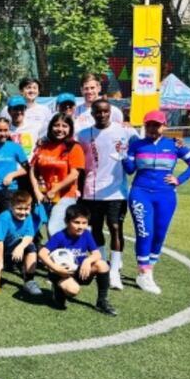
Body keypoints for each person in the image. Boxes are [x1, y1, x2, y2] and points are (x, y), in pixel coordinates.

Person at [124, 110, 190, 294]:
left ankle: (149, 270)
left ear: (164, 126)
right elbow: (129, 170)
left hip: (166, 195)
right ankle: (144, 273)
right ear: (144, 126)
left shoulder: (174, 144)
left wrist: (179, 180)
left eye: (156, 125)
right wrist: (124, 155)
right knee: (144, 232)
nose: (152, 128)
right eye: (149, 124)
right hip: (140, 193)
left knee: (159, 234)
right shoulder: (136, 144)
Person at [76, 99, 137, 289]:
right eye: (98, 112)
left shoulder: (125, 131)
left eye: (105, 111)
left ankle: (115, 271)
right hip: (91, 191)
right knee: (95, 229)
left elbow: (143, 143)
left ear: (110, 112)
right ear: (92, 113)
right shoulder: (84, 135)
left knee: (115, 227)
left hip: (116, 191)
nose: (102, 115)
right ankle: (102, 264)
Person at [39, 204, 117, 315]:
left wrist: (87, 260)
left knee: (102, 265)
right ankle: (57, 289)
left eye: (84, 223)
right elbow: (42, 253)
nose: (80, 226)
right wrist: (56, 268)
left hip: (80, 270)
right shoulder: (60, 236)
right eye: (76, 222)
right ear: (67, 221)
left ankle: (102, 301)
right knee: (73, 290)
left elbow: (97, 254)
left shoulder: (86, 234)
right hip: (61, 273)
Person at [29, 113, 85, 236]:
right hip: (44, 196)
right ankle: (57, 254)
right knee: (49, 230)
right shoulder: (43, 146)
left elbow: (74, 174)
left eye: (64, 126)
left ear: (70, 129)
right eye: (56, 125)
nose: (60, 129)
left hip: (65, 196)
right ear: (50, 127)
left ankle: (64, 254)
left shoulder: (74, 147)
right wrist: (37, 192)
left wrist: (55, 190)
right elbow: (33, 170)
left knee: (54, 229)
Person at [0, 190, 41, 296]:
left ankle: (29, 281)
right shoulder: (4, 218)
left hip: (9, 248)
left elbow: (29, 236)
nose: (23, 212)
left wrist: (20, 247)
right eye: (19, 208)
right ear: (11, 206)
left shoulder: (28, 216)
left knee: (31, 247)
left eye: (26, 208)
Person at [6, 95, 44, 159]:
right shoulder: (4, 129)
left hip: (29, 166)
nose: (19, 112)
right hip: (11, 167)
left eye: (21, 109)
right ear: (9, 111)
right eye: (15, 109)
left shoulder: (36, 126)